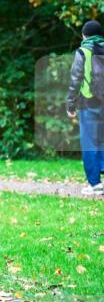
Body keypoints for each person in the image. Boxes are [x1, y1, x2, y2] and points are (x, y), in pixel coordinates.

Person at [67, 19, 104, 196]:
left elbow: (75, 81)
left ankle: (95, 184)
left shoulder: (83, 52)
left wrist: (70, 105)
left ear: (84, 35)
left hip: (89, 102)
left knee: (90, 142)